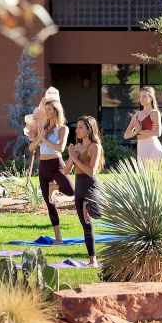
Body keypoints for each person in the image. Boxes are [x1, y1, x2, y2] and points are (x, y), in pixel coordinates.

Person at [29, 99, 74, 244]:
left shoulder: (63, 129)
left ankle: (55, 187)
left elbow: (60, 148)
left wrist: (44, 140)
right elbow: (31, 148)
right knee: (50, 203)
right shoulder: (43, 127)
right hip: (43, 166)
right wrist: (39, 138)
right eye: (46, 109)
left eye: (50, 109)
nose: (47, 112)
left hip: (56, 164)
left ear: (56, 110)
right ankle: (58, 238)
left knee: (71, 190)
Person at [63, 116, 104, 267]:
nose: (77, 130)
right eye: (77, 126)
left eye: (81, 127)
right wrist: (71, 157)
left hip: (91, 188)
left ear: (89, 129)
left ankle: (94, 260)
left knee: (92, 218)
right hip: (79, 188)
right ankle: (92, 259)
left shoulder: (94, 147)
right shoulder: (77, 147)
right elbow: (66, 171)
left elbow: (92, 171)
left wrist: (76, 158)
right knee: (85, 225)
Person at [124, 86, 162, 168]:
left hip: (153, 146)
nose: (141, 98)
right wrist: (135, 132)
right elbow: (126, 135)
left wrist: (139, 131)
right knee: (146, 176)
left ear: (151, 98)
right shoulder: (136, 115)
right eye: (140, 96)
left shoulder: (154, 113)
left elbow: (158, 133)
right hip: (141, 148)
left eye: (144, 96)